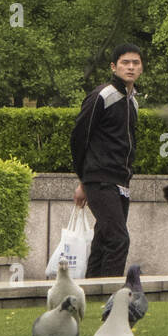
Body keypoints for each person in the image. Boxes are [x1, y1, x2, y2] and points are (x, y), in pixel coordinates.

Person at [70, 44, 143, 277]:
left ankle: (91, 296)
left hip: (121, 182)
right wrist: (83, 181)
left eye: (135, 63)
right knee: (119, 240)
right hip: (100, 179)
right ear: (113, 66)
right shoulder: (102, 95)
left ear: (141, 68)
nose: (130, 67)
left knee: (104, 240)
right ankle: (110, 299)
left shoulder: (133, 101)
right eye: (125, 62)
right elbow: (79, 137)